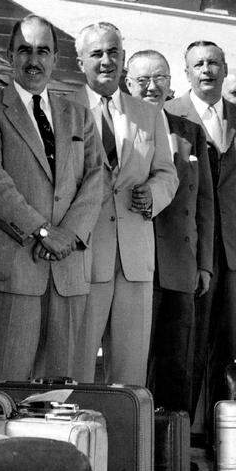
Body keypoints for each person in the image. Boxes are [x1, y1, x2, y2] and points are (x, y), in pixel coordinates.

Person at [0, 16, 103, 378]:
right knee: (3, 388)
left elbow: (95, 179)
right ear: (9, 56)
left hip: (68, 274)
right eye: (24, 50)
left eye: (43, 50)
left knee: (61, 395)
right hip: (14, 271)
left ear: (56, 58)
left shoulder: (79, 116)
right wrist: (42, 231)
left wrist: (67, 235)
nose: (33, 60)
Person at [165, 41, 236, 439]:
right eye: (198, 65)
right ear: (187, 73)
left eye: (214, 64)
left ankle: (222, 436)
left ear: (225, 70)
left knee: (227, 347)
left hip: (234, 248)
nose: (207, 70)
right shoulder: (171, 113)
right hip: (189, 248)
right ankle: (179, 436)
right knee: (187, 346)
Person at [74, 22, 177, 384]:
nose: (107, 61)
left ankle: (124, 439)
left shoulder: (147, 114)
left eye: (114, 52)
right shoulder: (63, 108)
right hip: (82, 258)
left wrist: (154, 195)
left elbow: (168, 174)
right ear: (80, 61)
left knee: (130, 371)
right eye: (97, 54)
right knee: (77, 366)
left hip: (134, 258)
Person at [125, 50, 214, 411]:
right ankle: (133, 446)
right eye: (143, 80)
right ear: (128, 84)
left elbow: (205, 203)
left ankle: (170, 453)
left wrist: (203, 264)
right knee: (134, 363)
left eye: (159, 78)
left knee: (177, 364)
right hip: (134, 261)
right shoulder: (117, 125)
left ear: (171, 82)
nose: (151, 86)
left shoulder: (189, 131)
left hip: (179, 265)